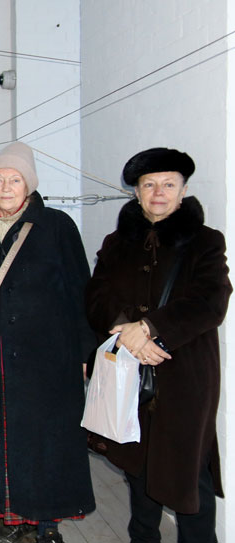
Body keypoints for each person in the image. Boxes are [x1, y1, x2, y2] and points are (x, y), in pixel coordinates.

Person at [85, 148, 231, 543]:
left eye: (168, 184)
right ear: (136, 192)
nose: (158, 192)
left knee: (190, 472)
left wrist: (150, 328)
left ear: (183, 191)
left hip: (185, 375)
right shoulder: (117, 243)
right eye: (149, 185)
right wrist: (125, 330)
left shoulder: (205, 242)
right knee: (137, 466)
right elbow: (96, 296)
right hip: (129, 373)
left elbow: (211, 300)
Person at [0, 142, 95, 543]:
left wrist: (84, 351)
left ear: (29, 184)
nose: (5, 187)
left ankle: (47, 521)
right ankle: (13, 516)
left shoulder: (57, 226)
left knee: (47, 442)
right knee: (1, 441)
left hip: (49, 357)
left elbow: (80, 290)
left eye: (14, 180)